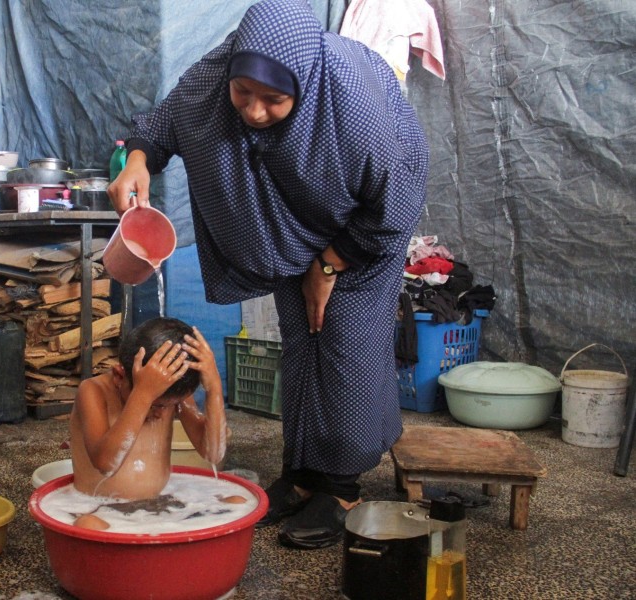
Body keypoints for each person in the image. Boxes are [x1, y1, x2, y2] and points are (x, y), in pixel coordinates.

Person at [107, 0, 429, 549]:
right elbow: (163, 124)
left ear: (303, 84)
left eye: (274, 100)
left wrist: (330, 263)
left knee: (346, 348)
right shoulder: (218, 72)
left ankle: (342, 484)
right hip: (290, 230)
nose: (253, 112)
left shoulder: (354, 102)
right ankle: (303, 475)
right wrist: (138, 157)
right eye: (243, 94)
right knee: (302, 347)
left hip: (362, 235)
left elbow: (396, 201)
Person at [70, 317, 227, 501]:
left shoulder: (170, 393)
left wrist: (214, 388)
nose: (161, 414)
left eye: (167, 406)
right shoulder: (93, 391)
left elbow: (213, 454)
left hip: (155, 508)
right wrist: (143, 395)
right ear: (119, 376)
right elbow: (105, 464)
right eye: (156, 405)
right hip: (96, 506)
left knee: (236, 504)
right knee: (88, 523)